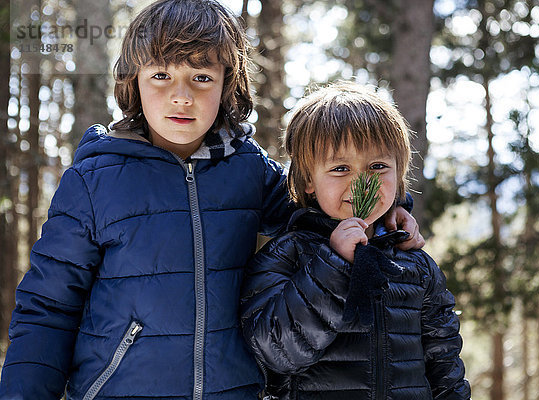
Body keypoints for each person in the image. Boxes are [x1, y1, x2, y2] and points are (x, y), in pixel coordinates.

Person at [0, 2, 423, 399]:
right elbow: (48, 307)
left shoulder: (248, 169)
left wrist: (390, 206)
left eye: (201, 78)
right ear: (134, 82)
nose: (181, 96)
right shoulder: (94, 180)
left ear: (227, 86)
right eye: (161, 76)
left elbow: (320, 204)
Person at [240, 81, 471, 400]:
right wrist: (332, 265)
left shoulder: (416, 264)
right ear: (308, 180)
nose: (362, 182)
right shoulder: (288, 253)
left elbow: (445, 364)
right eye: (340, 168)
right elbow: (275, 351)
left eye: (378, 166)